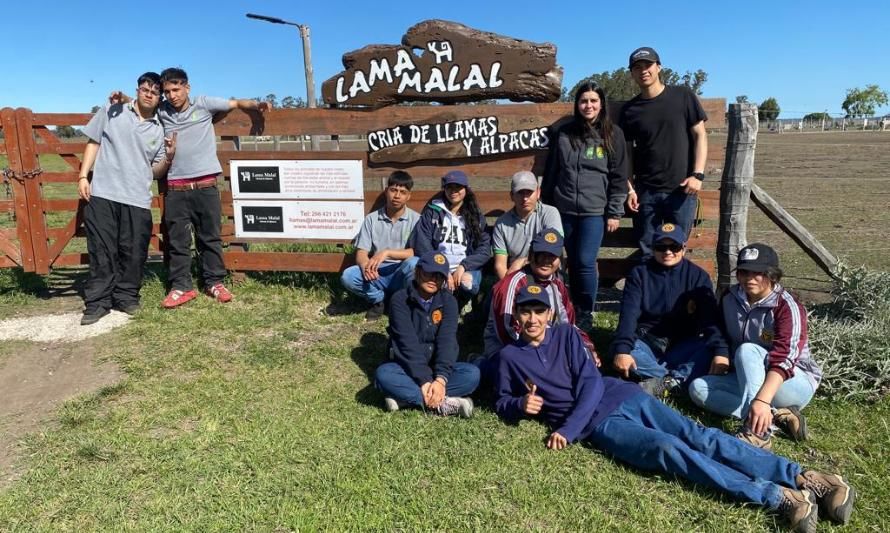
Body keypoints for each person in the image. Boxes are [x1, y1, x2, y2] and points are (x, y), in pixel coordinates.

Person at [494, 285, 855, 532]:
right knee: (670, 450)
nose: (532, 320)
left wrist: (566, 430)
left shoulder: (568, 335)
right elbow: (501, 401)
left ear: (549, 313)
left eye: (539, 311)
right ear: (517, 317)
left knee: (697, 435)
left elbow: (590, 382)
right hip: (601, 426)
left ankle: (808, 478)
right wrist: (519, 404)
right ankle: (778, 496)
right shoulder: (509, 357)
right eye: (525, 312)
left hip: (619, 394)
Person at [112, 68, 271, 308]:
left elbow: (236, 102)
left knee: (210, 237)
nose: (172, 95)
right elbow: (143, 102)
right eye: (167, 91)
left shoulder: (204, 104)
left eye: (176, 89)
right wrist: (123, 98)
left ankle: (214, 281)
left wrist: (256, 105)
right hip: (176, 187)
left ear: (187, 87)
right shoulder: (163, 110)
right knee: (177, 240)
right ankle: (181, 286)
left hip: (206, 185)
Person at [689, 243, 823, 450]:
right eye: (744, 272)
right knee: (698, 388)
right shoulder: (729, 297)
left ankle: (757, 431)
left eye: (758, 273)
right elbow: (720, 331)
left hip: (792, 381)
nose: (750, 278)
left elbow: (785, 359)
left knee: (747, 350)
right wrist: (721, 353)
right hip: (749, 377)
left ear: (773, 275)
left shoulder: (787, 306)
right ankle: (777, 417)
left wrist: (761, 399)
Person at [77, 72, 176, 325]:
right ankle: (98, 302)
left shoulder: (159, 128)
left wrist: (169, 157)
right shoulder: (113, 109)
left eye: (155, 92)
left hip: (137, 197)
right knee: (101, 250)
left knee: (134, 252)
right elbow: (93, 141)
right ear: (138, 89)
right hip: (104, 193)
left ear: (159, 98)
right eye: (145, 89)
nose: (149, 94)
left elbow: (156, 171)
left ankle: (126, 297)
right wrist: (83, 176)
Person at [542, 81, 628, 331]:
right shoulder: (565, 133)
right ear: (577, 104)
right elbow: (552, 171)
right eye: (583, 101)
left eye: (593, 101)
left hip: (594, 211)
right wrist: (547, 208)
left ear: (601, 104)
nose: (588, 105)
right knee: (565, 260)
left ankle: (586, 311)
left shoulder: (613, 134)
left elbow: (618, 175)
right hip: (564, 209)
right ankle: (567, 307)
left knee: (585, 261)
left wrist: (614, 211)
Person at [610, 223, 723, 396]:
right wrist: (623, 350)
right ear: (653, 249)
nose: (668, 252)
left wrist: (720, 351)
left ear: (684, 248)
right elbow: (628, 315)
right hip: (648, 340)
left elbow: (710, 318)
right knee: (622, 350)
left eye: (674, 246)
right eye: (661, 247)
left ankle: (657, 380)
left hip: (682, 343)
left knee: (709, 349)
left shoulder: (698, 276)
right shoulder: (639, 274)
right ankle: (674, 381)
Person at [619, 47, 708, 256]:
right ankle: (648, 289)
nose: (644, 71)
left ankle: (674, 290)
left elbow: (700, 135)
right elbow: (626, 154)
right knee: (647, 250)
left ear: (658, 67)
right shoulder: (630, 110)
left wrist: (698, 174)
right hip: (645, 193)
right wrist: (630, 188)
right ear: (631, 73)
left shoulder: (683, 96)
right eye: (637, 67)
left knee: (676, 250)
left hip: (682, 190)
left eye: (648, 65)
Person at [374, 250, 480, 416]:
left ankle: (406, 399)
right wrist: (424, 380)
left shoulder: (449, 301)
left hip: (435, 366)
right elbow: (406, 344)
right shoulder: (400, 300)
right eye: (428, 274)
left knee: (471, 374)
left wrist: (440, 379)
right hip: (406, 367)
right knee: (384, 375)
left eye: (439, 276)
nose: (433, 280)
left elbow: (447, 341)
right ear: (417, 272)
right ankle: (444, 403)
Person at [481, 229, 598, 378]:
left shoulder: (558, 285)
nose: (546, 260)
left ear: (559, 260)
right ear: (530, 255)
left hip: (547, 348)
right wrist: (544, 354)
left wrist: (586, 346)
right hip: (510, 349)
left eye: (552, 256)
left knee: (585, 360)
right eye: (541, 254)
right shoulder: (512, 283)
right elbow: (507, 330)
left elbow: (568, 326)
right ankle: (482, 366)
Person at [340, 171, 420, 320]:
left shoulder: (416, 220)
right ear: (386, 191)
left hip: (400, 272)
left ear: (409, 196)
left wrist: (388, 252)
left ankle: (403, 302)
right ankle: (378, 300)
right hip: (377, 272)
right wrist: (365, 267)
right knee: (349, 275)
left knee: (415, 264)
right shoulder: (371, 219)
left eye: (402, 192)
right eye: (393, 190)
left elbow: (417, 252)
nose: (397, 196)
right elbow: (361, 252)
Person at [408, 170, 491, 305]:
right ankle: (428, 302)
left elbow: (484, 248)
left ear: (466, 189)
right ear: (444, 189)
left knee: (468, 284)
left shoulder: (476, 216)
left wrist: (464, 266)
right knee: (414, 268)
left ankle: (463, 302)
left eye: (458, 187)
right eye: (449, 187)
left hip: (465, 268)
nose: (454, 191)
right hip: (437, 265)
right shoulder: (432, 212)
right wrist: (441, 269)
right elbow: (422, 243)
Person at [491, 170, 562, 280]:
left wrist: (523, 261)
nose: (525, 198)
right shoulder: (501, 223)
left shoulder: (550, 213)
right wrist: (508, 286)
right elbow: (500, 265)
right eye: (520, 192)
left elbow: (551, 251)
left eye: (529, 192)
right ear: (512, 196)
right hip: (515, 276)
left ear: (538, 193)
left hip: (545, 271)